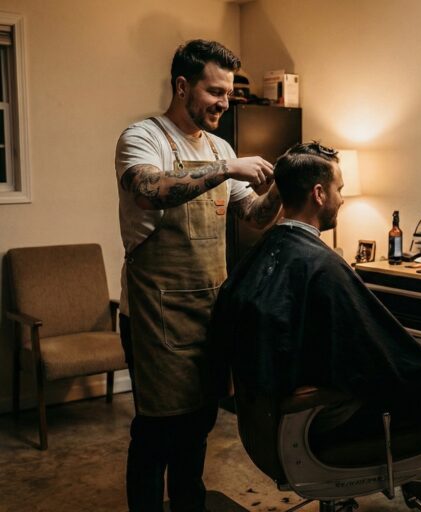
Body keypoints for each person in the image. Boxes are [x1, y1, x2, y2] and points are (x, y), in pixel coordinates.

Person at [209, 142, 421, 511]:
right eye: (339, 188)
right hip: (327, 421)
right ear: (319, 194)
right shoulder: (320, 266)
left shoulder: (263, 252)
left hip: (273, 422)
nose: (342, 199)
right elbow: (379, 358)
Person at [114, 40, 281, 511]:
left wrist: (282, 189)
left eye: (228, 94)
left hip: (209, 311)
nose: (224, 104)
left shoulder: (219, 144)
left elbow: (252, 214)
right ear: (182, 86)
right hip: (155, 316)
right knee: (156, 430)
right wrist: (228, 167)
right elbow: (150, 192)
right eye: (215, 92)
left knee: (198, 426)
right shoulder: (143, 138)